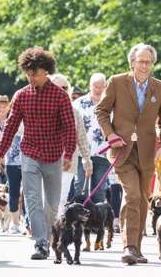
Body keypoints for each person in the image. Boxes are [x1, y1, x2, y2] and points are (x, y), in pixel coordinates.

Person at [0, 47, 76, 260]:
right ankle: (41, 243)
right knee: (32, 199)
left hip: (54, 155)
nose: (31, 78)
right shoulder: (21, 95)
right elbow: (10, 127)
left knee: (53, 203)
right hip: (29, 153)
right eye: (28, 74)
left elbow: (68, 127)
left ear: (46, 71)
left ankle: (47, 237)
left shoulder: (60, 96)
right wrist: (0, 154)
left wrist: (68, 154)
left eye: (35, 73)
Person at [96, 43, 161, 265]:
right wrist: (110, 134)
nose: (144, 65)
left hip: (148, 153)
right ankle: (129, 247)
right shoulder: (117, 82)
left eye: (148, 62)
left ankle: (136, 247)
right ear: (132, 62)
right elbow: (101, 111)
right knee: (133, 195)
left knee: (142, 201)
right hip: (122, 150)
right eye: (140, 61)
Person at [51, 74, 92, 217]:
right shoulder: (40, 109)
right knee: (46, 197)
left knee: (62, 198)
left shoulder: (74, 112)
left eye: (65, 87)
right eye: (58, 87)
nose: (62, 90)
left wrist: (87, 158)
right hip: (45, 161)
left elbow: (81, 137)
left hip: (68, 162)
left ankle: (55, 230)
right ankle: (45, 228)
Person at [73, 73, 109, 204]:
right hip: (82, 153)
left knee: (99, 190)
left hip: (103, 153)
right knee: (81, 188)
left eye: (101, 87)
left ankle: (97, 222)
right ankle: (80, 221)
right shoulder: (78, 103)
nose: (98, 90)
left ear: (106, 87)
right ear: (90, 86)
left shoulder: (111, 104)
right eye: (95, 86)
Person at [5, 122, 24, 234]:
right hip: (12, 164)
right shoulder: (10, 123)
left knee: (28, 193)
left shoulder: (31, 119)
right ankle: (15, 223)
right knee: (14, 193)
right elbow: (4, 141)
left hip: (28, 163)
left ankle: (27, 222)